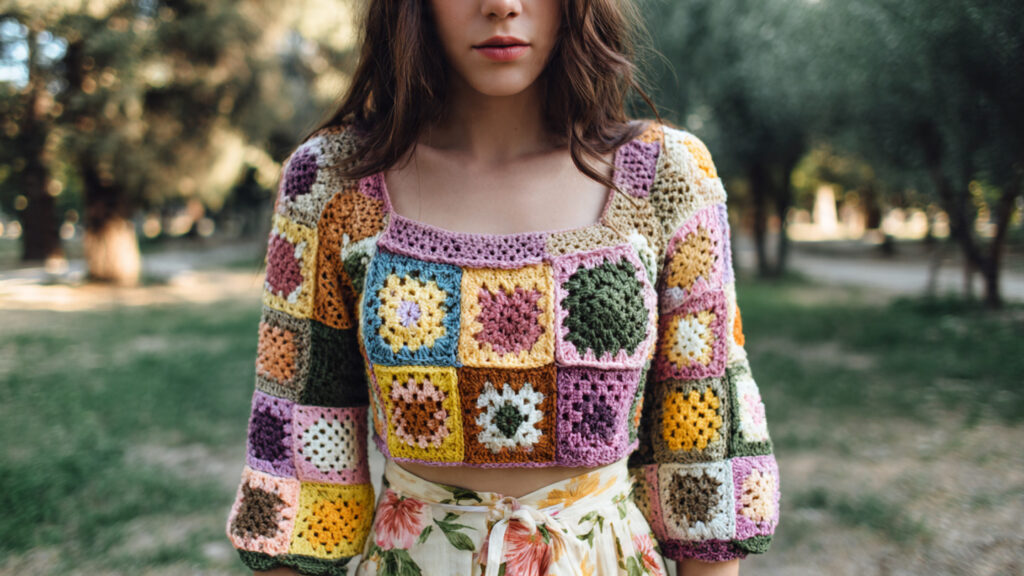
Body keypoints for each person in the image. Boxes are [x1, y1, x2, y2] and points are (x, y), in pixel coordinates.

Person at [224, 1, 781, 575]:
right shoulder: (333, 182)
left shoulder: (666, 176)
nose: (502, 5)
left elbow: (704, 461)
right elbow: (300, 474)